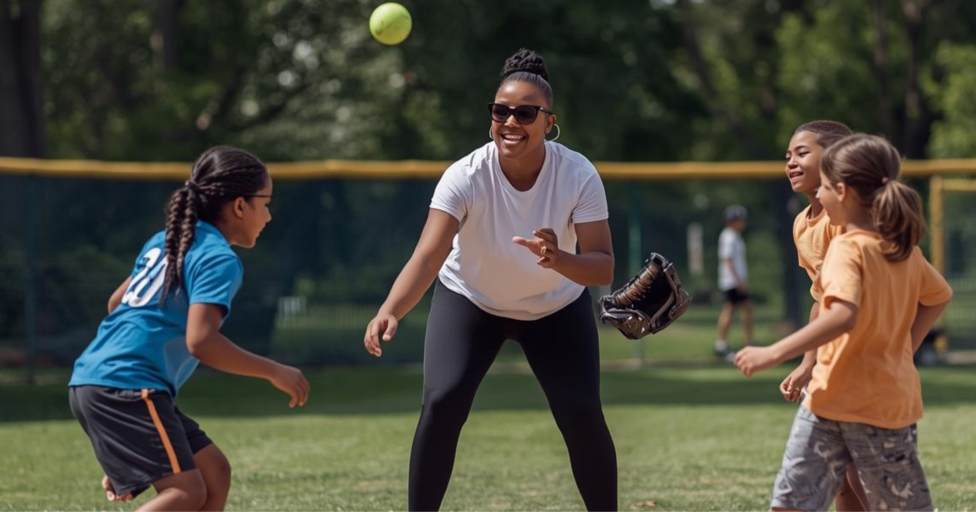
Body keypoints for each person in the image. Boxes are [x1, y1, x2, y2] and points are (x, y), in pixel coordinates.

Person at [363, 48, 618, 511]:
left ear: (549, 122)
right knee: (442, 402)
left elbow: (602, 266)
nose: (510, 121)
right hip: (472, 300)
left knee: (581, 412)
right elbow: (428, 256)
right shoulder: (465, 176)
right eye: (500, 111)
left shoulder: (577, 174)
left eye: (525, 113)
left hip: (555, 307)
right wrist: (390, 309)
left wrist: (559, 259)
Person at [69, 146, 310, 511]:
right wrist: (273, 370)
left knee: (214, 473)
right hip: (127, 385)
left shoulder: (167, 240)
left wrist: (129, 448)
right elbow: (201, 341)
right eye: (266, 203)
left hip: (98, 379)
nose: (269, 215)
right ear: (240, 205)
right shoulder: (218, 258)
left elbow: (117, 303)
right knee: (186, 493)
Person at [734, 134, 953, 512]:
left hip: (854, 404)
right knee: (793, 502)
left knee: (792, 504)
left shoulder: (847, 248)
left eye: (823, 187)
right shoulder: (902, 247)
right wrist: (905, 349)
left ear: (842, 191)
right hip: (835, 401)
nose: (818, 196)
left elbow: (841, 314)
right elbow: (939, 296)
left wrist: (774, 352)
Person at [780, 120, 868, 510]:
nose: (791, 163)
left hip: (859, 355)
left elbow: (849, 301)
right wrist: (807, 364)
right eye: (787, 156)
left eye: (802, 153)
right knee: (838, 473)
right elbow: (821, 299)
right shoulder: (803, 224)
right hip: (829, 358)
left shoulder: (844, 221)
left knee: (855, 467)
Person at [715, 205, 752, 358]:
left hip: (733, 281)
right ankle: (723, 344)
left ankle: (745, 342)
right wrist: (739, 281)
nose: (743, 222)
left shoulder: (735, 236)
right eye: (740, 220)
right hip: (731, 282)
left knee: (741, 308)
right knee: (732, 310)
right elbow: (727, 260)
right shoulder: (729, 236)